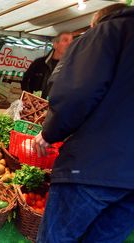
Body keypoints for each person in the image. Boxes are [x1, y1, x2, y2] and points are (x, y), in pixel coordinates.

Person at [33, 3, 134, 242]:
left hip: (93, 165)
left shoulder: (107, 33)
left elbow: (77, 93)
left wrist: (50, 133)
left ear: (94, 22)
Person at [21, 32, 73, 99]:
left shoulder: (71, 67)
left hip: (54, 107)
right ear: (55, 44)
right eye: (65, 40)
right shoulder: (39, 63)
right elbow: (25, 81)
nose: (69, 44)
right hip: (34, 105)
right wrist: (30, 98)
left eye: (71, 41)